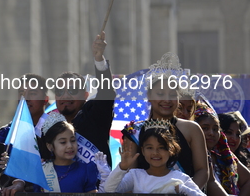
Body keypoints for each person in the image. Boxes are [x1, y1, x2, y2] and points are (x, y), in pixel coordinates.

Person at [122, 53, 208, 189]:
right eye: (160, 94)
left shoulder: (192, 129)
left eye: (172, 95)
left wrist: (187, 192)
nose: (167, 100)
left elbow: (202, 170)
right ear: (149, 96)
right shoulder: (134, 132)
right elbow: (129, 174)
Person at [55, 32, 116, 166]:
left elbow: (106, 93)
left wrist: (99, 59)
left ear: (85, 95)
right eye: (60, 91)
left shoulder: (94, 114)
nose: (65, 96)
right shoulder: (50, 126)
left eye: (72, 90)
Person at [106, 119, 204, 196]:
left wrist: (183, 190)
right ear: (143, 151)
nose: (155, 153)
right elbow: (109, 189)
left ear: (171, 150)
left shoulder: (180, 178)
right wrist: (122, 167)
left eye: (161, 148)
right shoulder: (135, 176)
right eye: (150, 148)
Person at [195, 103, 250, 196]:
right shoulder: (189, 153)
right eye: (205, 128)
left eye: (215, 129)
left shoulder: (225, 155)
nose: (211, 133)